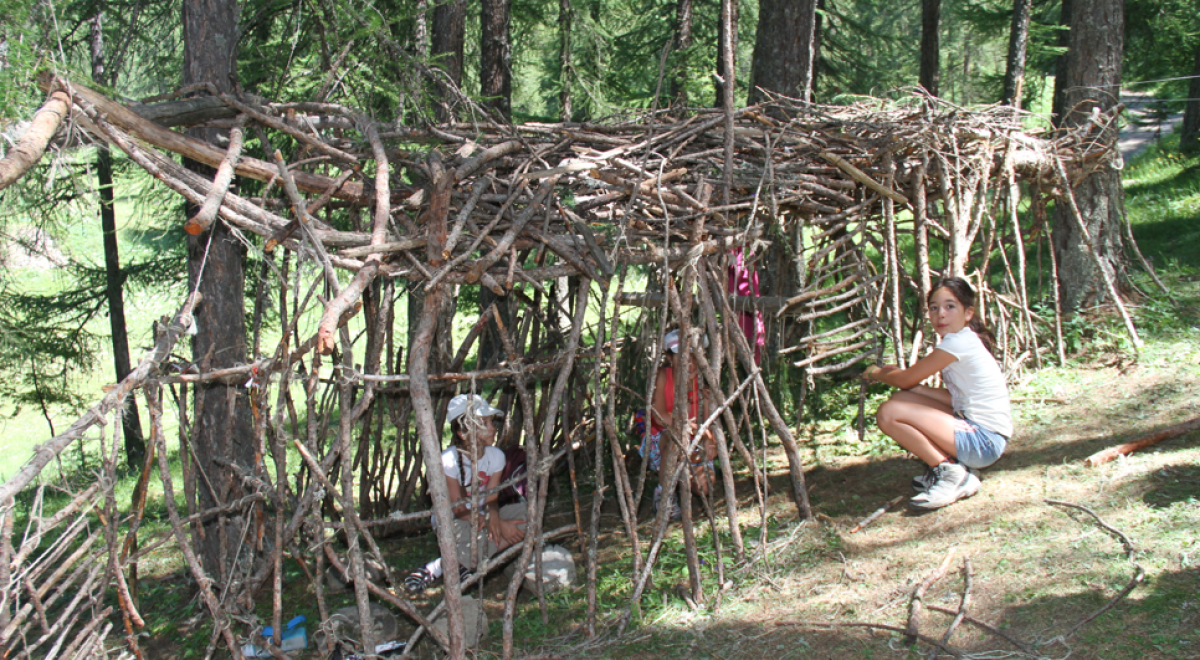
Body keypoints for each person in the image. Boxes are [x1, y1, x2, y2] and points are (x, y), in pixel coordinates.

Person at [864, 277, 1012, 511]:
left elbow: (905, 379)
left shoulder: (958, 343)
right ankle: (954, 467)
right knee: (900, 399)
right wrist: (914, 388)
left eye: (950, 306)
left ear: (968, 312)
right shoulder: (963, 340)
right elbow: (954, 397)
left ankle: (953, 475)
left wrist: (875, 372)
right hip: (983, 436)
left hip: (984, 442)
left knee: (888, 413)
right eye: (934, 308)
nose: (941, 314)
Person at [405, 394, 526, 594]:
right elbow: (459, 509)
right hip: (454, 520)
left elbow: (492, 498)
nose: (492, 428)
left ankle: (459, 563)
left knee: (528, 516)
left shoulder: (496, 456)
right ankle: (445, 566)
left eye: (491, 422)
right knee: (475, 533)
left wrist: (495, 515)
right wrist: (498, 524)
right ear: (463, 433)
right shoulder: (448, 462)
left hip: (482, 518)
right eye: (484, 423)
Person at [642, 329, 717, 520]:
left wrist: (708, 438)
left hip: (693, 443)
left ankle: (682, 478)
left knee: (704, 486)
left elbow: (708, 425)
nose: (690, 363)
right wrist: (687, 427)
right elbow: (659, 416)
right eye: (682, 357)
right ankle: (665, 495)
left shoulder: (704, 382)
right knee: (673, 438)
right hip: (662, 440)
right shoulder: (661, 376)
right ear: (669, 358)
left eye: (694, 357)